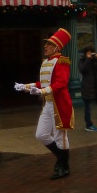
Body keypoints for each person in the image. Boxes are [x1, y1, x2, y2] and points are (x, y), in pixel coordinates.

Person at [14, 28, 74, 179]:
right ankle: (61, 159)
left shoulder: (62, 61)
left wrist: (43, 91)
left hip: (59, 104)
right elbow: (44, 82)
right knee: (41, 135)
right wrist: (27, 86)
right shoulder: (46, 62)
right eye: (46, 44)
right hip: (47, 104)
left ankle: (63, 166)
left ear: (57, 47)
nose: (45, 47)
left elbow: (61, 83)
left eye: (49, 44)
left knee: (60, 136)